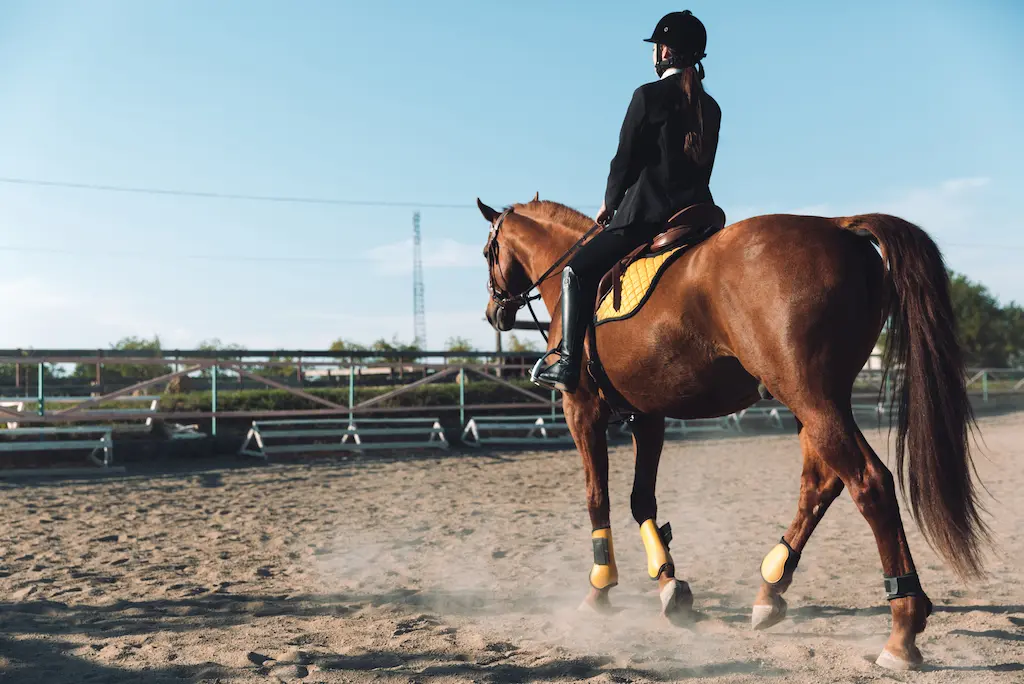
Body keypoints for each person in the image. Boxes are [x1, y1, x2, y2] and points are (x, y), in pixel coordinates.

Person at [531, 10, 723, 393]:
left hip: (648, 216)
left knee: (574, 272)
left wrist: (610, 202)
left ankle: (567, 362)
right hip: (698, 216)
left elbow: (624, 160)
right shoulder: (711, 106)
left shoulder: (647, 96)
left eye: (656, 47)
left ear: (665, 51)